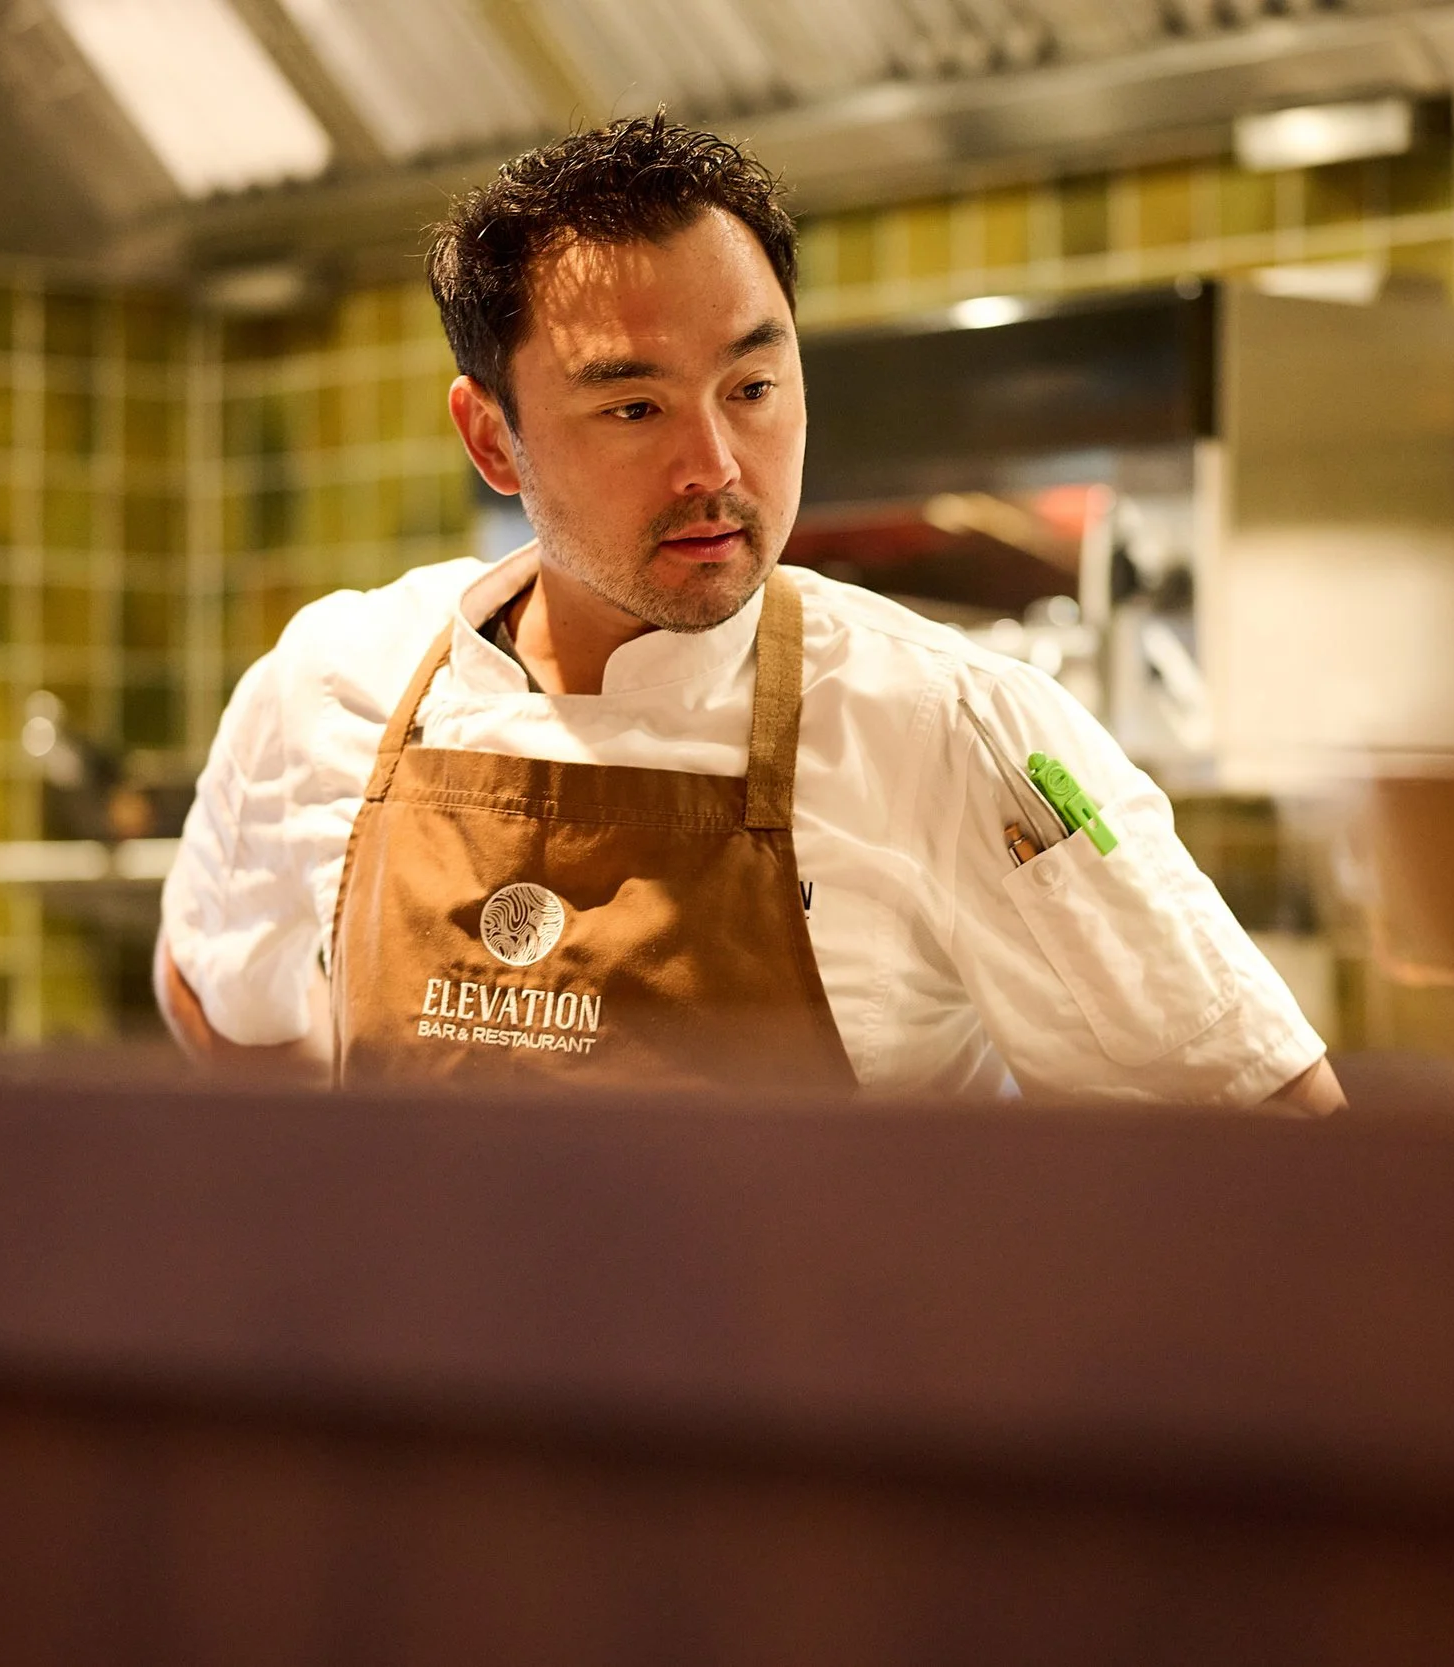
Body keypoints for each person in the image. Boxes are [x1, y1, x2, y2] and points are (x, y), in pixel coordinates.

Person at [154, 114, 1343, 1112]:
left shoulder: (953, 731)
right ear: (490, 439)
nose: (713, 463)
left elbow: (1264, 1136)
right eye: (633, 408)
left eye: (754, 386)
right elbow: (218, 999)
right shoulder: (334, 683)